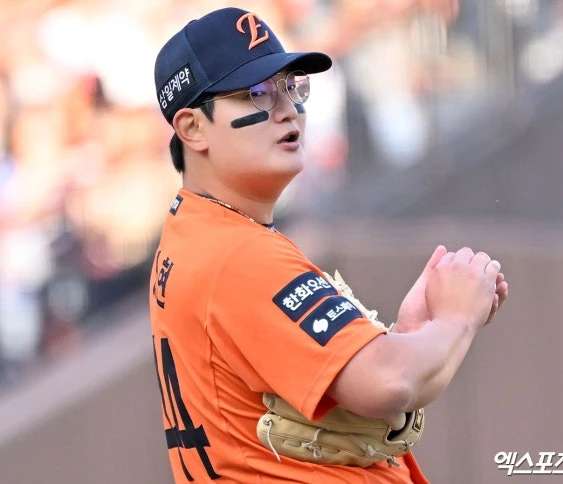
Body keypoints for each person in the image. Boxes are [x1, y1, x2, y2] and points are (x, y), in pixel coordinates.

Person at [149, 7, 508, 484]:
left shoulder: (198, 234)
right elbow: (388, 381)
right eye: (257, 93)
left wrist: (407, 335)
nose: (288, 109)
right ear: (193, 128)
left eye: (292, 87)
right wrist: (457, 317)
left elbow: (370, 382)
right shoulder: (237, 254)